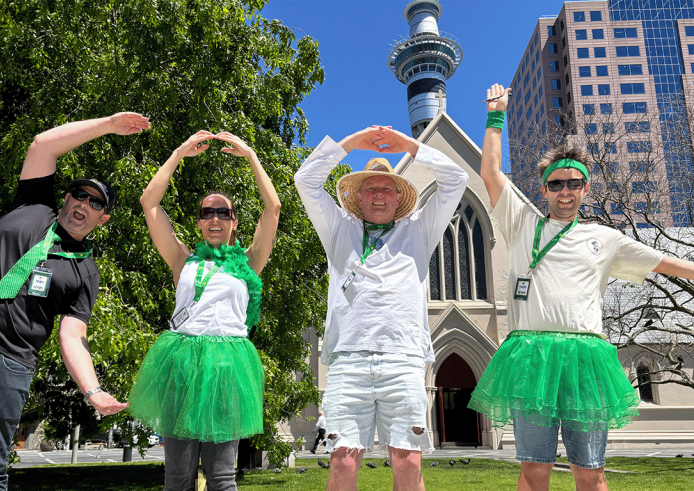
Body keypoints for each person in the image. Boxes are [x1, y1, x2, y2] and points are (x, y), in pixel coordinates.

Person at [469, 83, 694, 491]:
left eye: (574, 183)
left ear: (586, 188)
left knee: (590, 471)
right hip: (531, 356)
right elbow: (489, 172)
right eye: (556, 184)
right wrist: (496, 117)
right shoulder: (522, 223)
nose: (565, 191)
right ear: (544, 190)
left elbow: (666, 264)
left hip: (585, 359)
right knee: (533, 470)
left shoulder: (605, 238)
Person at [0, 112, 149, 490]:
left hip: (3, 365)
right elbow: (43, 145)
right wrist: (108, 125)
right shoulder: (31, 207)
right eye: (79, 194)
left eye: (95, 203)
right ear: (66, 197)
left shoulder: (85, 272)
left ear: (103, 218)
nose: (84, 204)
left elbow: (72, 335)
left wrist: (92, 390)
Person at [294, 125, 468, 491]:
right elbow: (306, 180)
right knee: (342, 463)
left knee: (407, 462)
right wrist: (352, 143)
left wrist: (408, 145)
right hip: (348, 360)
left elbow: (456, 178)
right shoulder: (338, 228)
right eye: (369, 188)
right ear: (357, 197)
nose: (378, 194)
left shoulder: (419, 228)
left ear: (397, 196)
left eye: (386, 188)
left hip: (402, 358)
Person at [128, 130, 280, 491]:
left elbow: (272, 208)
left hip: (228, 368)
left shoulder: (249, 261)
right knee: (177, 478)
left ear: (234, 222)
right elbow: (149, 202)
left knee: (223, 478)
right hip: (182, 363)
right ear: (198, 222)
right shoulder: (182, 258)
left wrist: (251, 157)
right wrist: (179, 152)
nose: (215, 219)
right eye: (207, 213)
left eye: (223, 213)